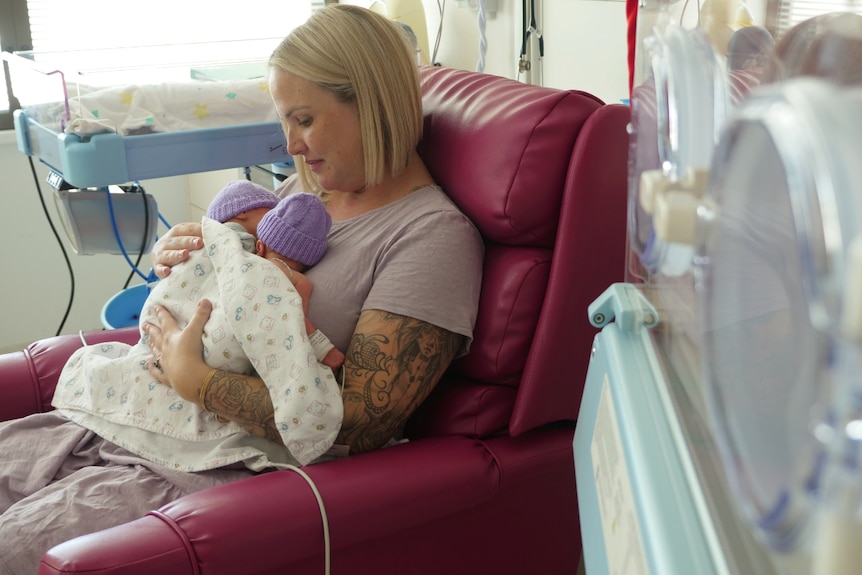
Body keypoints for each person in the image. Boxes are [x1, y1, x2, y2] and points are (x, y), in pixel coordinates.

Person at [0, 5, 483, 572]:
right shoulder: (309, 202)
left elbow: (358, 421)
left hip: (206, 467)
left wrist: (195, 380)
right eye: (285, 122)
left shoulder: (431, 239)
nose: (292, 146)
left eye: (304, 119)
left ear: (371, 103)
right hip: (126, 413)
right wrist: (184, 265)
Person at [52, 184, 344, 474]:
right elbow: (291, 324)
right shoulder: (274, 266)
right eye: (272, 214)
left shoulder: (255, 260)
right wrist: (164, 260)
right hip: (187, 348)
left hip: (200, 366)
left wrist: (189, 373)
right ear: (241, 214)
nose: (274, 219)